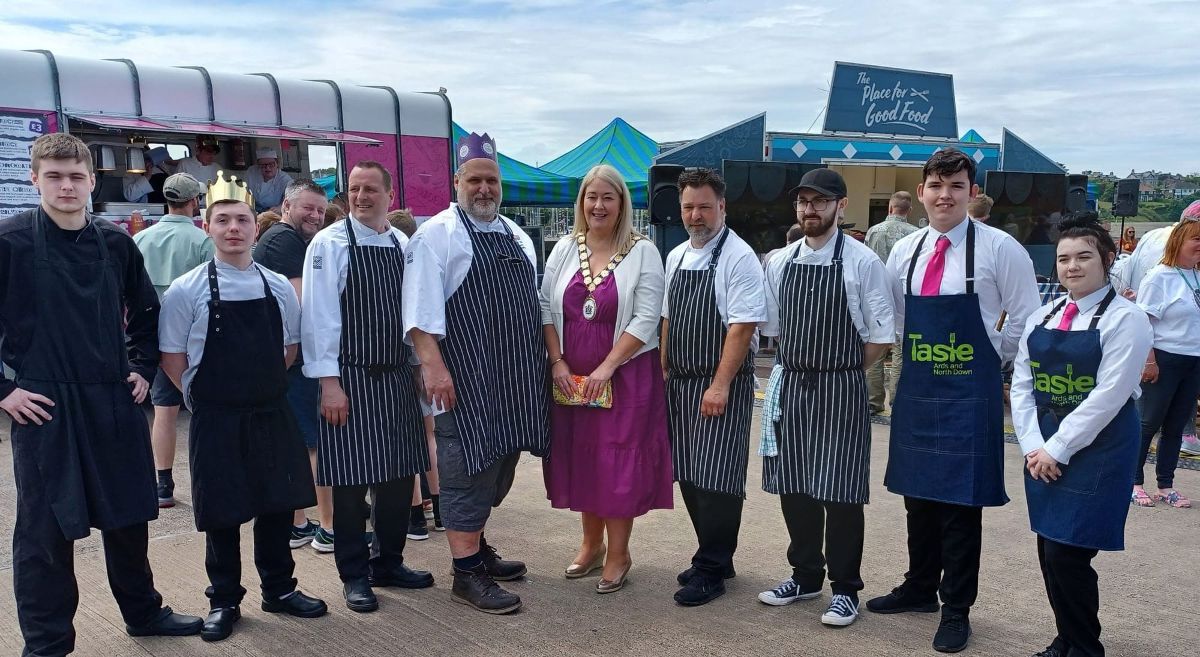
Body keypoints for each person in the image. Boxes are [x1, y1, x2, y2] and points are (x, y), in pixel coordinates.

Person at [1, 133, 202, 655]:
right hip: (45, 404)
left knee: (129, 516)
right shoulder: (10, 242)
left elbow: (146, 314)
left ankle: (143, 613)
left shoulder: (115, 243)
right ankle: (46, 643)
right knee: (45, 534)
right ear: (35, 178)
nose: (66, 186)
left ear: (92, 180)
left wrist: (139, 366)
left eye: (75, 176)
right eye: (54, 176)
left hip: (113, 397)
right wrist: (4, 391)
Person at [871, 149, 1041, 653]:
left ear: (971, 192)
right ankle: (919, 587)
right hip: (920, 389)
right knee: (917, 498)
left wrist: (994, 354)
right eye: (936, 185)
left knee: (962, 506)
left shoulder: (1000, 248)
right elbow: (897, 319)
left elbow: (1028, 319)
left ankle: (956, 607)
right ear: (922, 191)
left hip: (971, 393)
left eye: (956, 186)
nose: (945, 195)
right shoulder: (906, 251)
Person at [159, 190, 326, 642]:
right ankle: (224, 600)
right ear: (207, 228)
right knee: (222, 512)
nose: (233, 228)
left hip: (271, 410)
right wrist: (204, 397)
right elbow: (172, 357)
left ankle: (279, 589)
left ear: (256, 228)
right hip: (216, 416)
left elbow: (290, 349)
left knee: (276, 504)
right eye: (223, 221)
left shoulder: (276, 286)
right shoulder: (186, 289)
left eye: (242, 221)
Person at [405, 133, 548, 614]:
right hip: (463, 378)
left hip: (512, 380)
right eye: (475, 180)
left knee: (499, 465)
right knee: (465, 468)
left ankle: (477, 547)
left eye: (491, 180)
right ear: (457, 182)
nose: (484, 189)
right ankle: (466, 574)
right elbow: (420, 313)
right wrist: (434, 367)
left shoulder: (516, 235)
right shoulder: (437, 235)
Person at [1010, 213, 1151, 657]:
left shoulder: (1128, 319)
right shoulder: (1043, 314)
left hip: (1101, 446)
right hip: (1045, 444)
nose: (1072, 266)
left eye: (1084, 257)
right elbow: (1022, 384)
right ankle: (1067, 639)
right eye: (1064, 258)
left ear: (1107, 259)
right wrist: (1033, 444)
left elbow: (1109, 396)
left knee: (1068, 554)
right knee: (1048, 547)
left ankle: (1085, 648)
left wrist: (1058, 447)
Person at [758, 168, 894, 628]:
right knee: (794, 487)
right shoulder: (778, 263)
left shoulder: (862, 262)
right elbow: (772, 330)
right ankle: (805, 576)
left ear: (840, 206)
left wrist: (844, 372)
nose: (809, 209)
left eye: (819, 201)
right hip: (792, 382)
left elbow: (880, 336)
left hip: (840, 385)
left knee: (839, 493)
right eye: (803, 202)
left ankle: (846, 589)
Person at [302, 161, 433, 613]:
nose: (360, 197)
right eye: (354, 189)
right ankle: (355, 575)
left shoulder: (402, 243)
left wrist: (418, 365)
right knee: (350, 488)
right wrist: (328, 383)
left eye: (370, 189)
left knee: (399, 481)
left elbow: (414, 311)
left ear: (389, 196)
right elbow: (318, 317)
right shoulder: (329, 243)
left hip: (396, 375)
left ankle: (389, 563)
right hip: (350, 378)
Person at [541, 164, 672, 595]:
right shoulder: (564, 247)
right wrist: (557, 362)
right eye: (590, 197)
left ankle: (619, 553)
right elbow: (545, 308)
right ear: (581, 202)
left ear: (622, 204)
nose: (598, 205)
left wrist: (607, 367)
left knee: (616, 462)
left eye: (607, 198)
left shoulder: (643, 251)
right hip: (572, 376)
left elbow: (648, 317)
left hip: (626, 374)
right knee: (585, 458)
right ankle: (590, 544)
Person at [658, 168, 762, 606]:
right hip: (680, 382)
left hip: (721, 383)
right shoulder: (677, 255)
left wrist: (719, 386)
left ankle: (712, 569)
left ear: (722, 206)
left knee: (717, 477)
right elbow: (667, 319)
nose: (695, 215)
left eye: (704, 206)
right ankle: (716, 554)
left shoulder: (739, 257)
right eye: (688, 207)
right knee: (689, 474)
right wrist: (662, 371)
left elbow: (741, 328)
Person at [252, 179, 334, 551]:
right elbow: (305, 303)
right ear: (287, 205)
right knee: (310, 444)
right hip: (295, 359)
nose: (315, 216)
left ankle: (300, 522)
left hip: (288, 357)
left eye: (320, 209)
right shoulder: (284, 241)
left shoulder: (286, 240)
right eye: (308, 208)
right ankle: (318, 525)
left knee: (300, 441)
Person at [131, 172, 215, 508]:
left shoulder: (140, 239)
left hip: (153, 334)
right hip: (194, 336)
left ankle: (163, 485)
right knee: (206, 410)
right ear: (195, 201)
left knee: (163, 411)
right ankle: (211, 481)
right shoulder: (201, 240)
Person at [1132, 215, 1200, 509]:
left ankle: (1166, 484)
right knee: (1147, 423)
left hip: (1193, 359)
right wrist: (1148, 361)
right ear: (1179, 242)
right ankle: (1132, 481)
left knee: (1175, 426)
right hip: (1163, 357)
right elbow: (1143, 321)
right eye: (1197, 239)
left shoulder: (1197, 275)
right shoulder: (1159, 276)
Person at [864, 190, 918, 413]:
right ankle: (897, 400)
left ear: (889, 207)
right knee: (901, 351)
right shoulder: (917, 234)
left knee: (876, 349)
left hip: (877, 299)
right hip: (905, 300)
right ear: (910, 210)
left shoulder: (874, 231)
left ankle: (873, 401)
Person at [245, 147, 294, 213]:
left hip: (274, 212)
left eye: (271, 164)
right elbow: (245, 191)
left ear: (277, 164)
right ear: (258, 166)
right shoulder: (252, 172)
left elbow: (292, 199)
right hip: (254, 210)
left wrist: (280, 208)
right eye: (263, 165)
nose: (267, 168)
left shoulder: (285, 179)